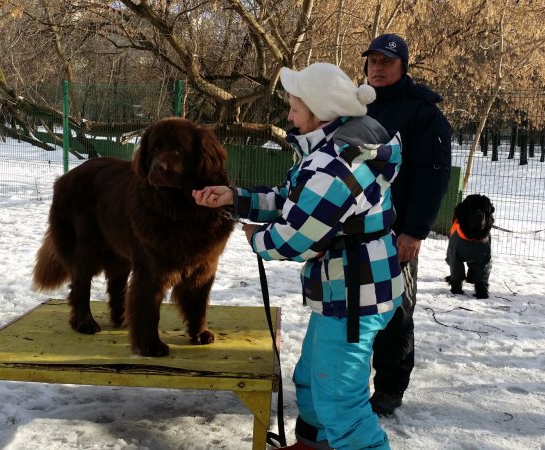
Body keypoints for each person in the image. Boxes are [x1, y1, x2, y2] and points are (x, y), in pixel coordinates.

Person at [193, 62, 404, 450]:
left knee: (339, 400)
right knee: (311, 378)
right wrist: (236, 197)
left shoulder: (335, 165)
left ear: (320, 111)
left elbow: (296, 237)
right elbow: (295, 201)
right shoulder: (330, 147)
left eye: (294, 107)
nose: (288, 115)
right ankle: (312, 445)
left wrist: (259, 239)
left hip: (354, 296)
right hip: (349, 287)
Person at [361, 33, 452, 415]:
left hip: (397, 232)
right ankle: (346, 382)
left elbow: (433, 179)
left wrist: (414, 231)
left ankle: (389, 389)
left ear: (403, 66)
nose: (378, 68)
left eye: (387, 62)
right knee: (355, 309)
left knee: (395, 312)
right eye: (373, 61)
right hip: (355, 230)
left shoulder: (423, 112)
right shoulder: (356, 104)